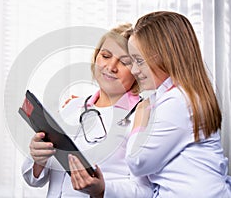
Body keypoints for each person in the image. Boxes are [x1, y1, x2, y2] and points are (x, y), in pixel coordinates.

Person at [21, 24, 153, 197]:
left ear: (137, 70)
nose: (111, 67)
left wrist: (102, 190)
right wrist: (38, 158)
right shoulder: (72, 107)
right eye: (105, 56)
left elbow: (147, 191)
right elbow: (33, 180)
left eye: (125, 62)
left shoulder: (142, 115)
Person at [125, 11, 231, 197]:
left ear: (165, 57)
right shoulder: (183, 96)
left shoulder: (177, 101)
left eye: (139, 61)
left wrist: (141, 117)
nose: (134, 70)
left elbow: (137, 161)